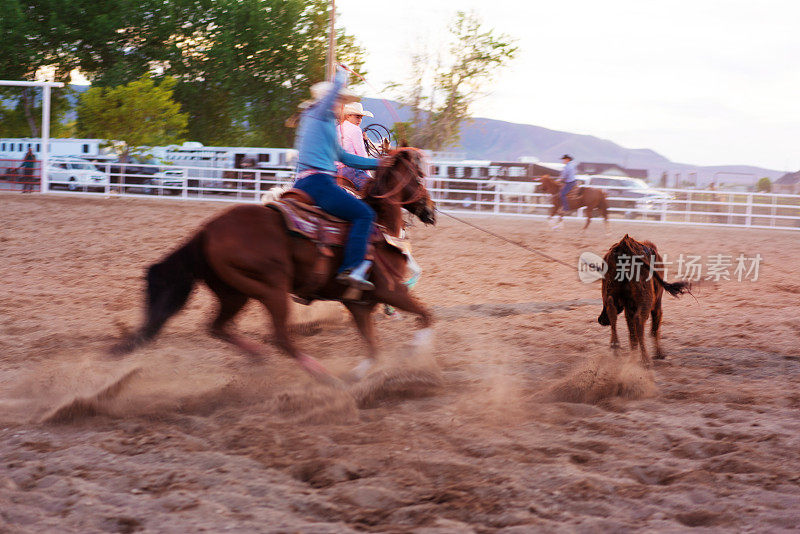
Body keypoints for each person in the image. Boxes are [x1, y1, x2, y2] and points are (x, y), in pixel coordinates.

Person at [293, 66, 381, 290]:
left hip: (305, 182)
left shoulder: (321, 123)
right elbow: (331, 95)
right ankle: (350, 269)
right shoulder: (319, 114)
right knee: (364, 214)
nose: (339, 104)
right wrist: (341, 76)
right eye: (338, 100)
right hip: (319, 183)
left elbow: (344, 157)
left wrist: (381, 163)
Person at [337, 102, 374, 190]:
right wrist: (369, 175)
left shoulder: (337, 128)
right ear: (348, 116)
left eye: (361, 117)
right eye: (357, 117)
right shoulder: (356, 130)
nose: (359, 120)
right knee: (376, 191)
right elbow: (362, 155)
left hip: (335, 170)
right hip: (351, 170)